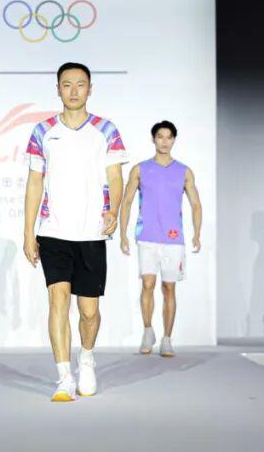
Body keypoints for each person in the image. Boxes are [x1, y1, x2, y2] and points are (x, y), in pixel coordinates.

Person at [23, 62, 128, 401]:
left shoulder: (106, 130)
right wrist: (28, 232)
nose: (73, 90)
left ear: (90, 89)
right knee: (58, 299)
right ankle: (64, 377)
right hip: (54, 231)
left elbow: (115, 176)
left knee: (89, 312)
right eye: (66, 84)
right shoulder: (42, 131)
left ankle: (87, 358)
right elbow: (34, 182)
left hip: (92, 233)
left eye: (79, 84)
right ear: (58, 89)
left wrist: (113, 209)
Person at [119, 120, 202, 358]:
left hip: (173, 239)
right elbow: (127, 201)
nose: (164, 141)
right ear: (153, 139)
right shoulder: (140, 169)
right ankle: (148, 331)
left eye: (169, 137)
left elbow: (196, 204)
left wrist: (197, 233)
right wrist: (123, 234)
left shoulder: (184, 172)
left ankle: (167, 338)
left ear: (174, 140)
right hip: (147, 236)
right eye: (160, 137)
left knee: (169, 288)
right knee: (147, 284)